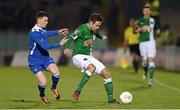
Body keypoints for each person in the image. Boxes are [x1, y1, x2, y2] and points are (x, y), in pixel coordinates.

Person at [63, 13, 117, 103]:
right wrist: (66, 48)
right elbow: (70, 38)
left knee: (106, 73)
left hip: (89, 56)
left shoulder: (94, 29)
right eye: (97, 25)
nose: (98, 27)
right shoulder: (81, 29)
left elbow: (98, 34)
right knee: (92, 67)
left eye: (99, 26)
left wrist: (104, 37)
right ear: (91, 23)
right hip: (78, 56)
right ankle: (77, 91)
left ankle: (111, 101)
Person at [28, 11, 69, 104]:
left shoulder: (41, 29)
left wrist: (58, 32)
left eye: (47, 21)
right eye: (45, 20)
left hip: (45, 58)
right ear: (39, 20)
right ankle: (42, 95)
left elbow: (46, 34)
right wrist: (60, 44)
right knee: (43, 82)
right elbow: (44, 46)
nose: (47, 22)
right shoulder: (34, 33)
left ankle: (54, 88)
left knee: (56, 73)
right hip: (34, 61)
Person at [132, 4, 160, 86]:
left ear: (150, 12)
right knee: (144, 60)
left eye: (148, 11)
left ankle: (150, 80)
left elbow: (157, 30)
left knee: (150, 61)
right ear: (143, 11)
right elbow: (134, 31)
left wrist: (158, 32)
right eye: (145, 11)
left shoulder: (153, 20)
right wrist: (141, 28)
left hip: (151, 42)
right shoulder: (139, 20)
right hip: (142, 43)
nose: (147, 12)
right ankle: (145, 71)